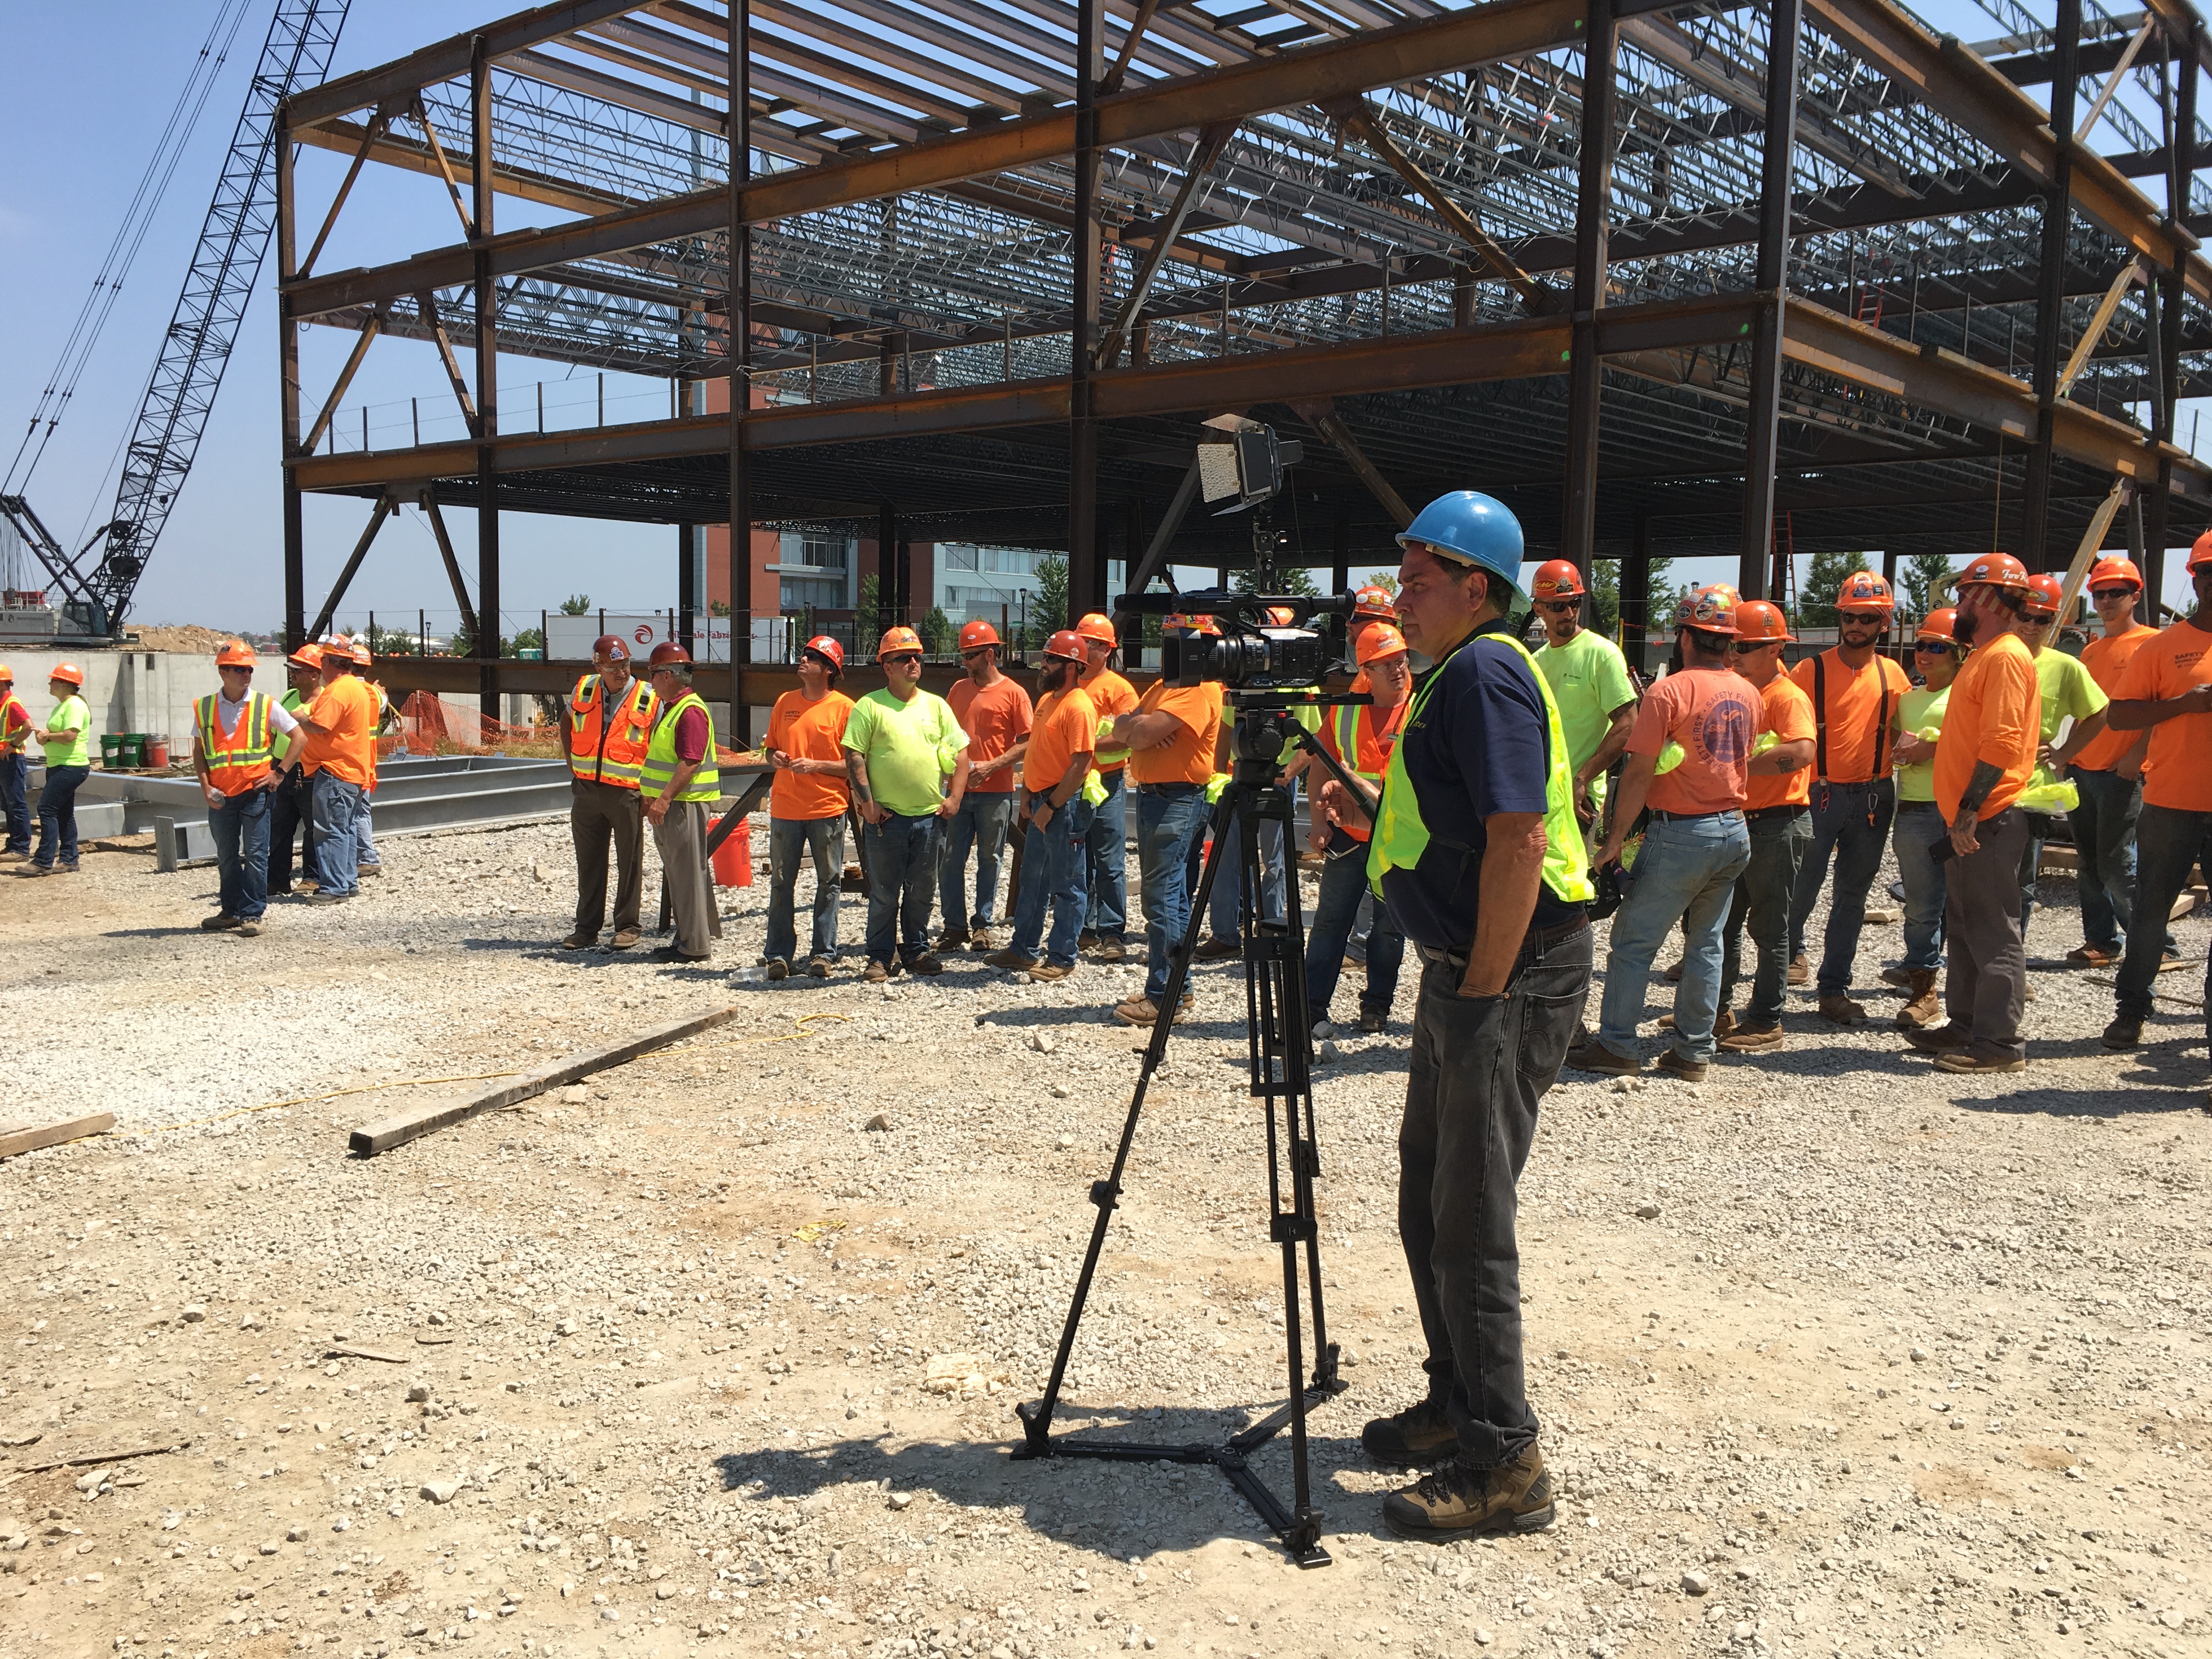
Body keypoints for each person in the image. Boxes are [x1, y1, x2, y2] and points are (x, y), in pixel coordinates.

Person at [1312, 491, 1592, 1539]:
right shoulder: (1452, 674)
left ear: (1477, 586)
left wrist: (1481, 986)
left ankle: (1505, 1459)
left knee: (1468, 1215)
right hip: (1466, 968)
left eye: (1419, 581)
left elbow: (1520, 837)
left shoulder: (1483, 671)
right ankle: (1455, 1399)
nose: (1402, 599)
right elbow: (1457, 824)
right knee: (1428, 1197)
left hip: (1503, 972)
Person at [1568, 586, 1758, 1080]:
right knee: (1707, 944)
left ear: (1686, 637)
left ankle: (1617, 1046)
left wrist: (1614, 841)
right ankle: (1694, 1052)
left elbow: (1637, 774)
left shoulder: (1668, 692)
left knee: (1633, 944)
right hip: (1734, 830)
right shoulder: (1748, 692)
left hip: (1682, 834)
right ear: (1728, 641)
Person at [1905, 553, 2042, 1074]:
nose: (1958, 605)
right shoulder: (1986, 655)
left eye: (1964, 595)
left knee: (1992, 928)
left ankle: (1999, 1043)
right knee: (1963, 925)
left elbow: (2001, 742)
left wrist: (1968, 809)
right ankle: (1965, 1025)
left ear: (1987, 599)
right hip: (1975, 817)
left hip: (1988, 818)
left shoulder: (2004, 657)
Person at [2102, 531, 2212, 1071]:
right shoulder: (2164, 648)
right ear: (2195, 578)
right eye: (2208, 572)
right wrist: (2183, 704)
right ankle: (2132, 1009)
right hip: (2171, 803)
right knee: (2150, 909)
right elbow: (2120, 715)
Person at [1785, 570, 1912, 1022]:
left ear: (1884, 623)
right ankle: (1781, 971)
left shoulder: (1894, 676)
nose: (1856, 626)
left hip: (1874, 797)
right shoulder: (1809, 671)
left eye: (1867, 618)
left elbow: (1907, 731)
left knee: (1852, 898)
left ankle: (1834, 989)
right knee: (1799, 890)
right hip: (1818, 794)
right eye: (1849, 617)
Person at [1109, 614, 1224, 1027]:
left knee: (1162, 898)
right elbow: (1123, 726)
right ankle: (1178, 986)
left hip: (1176, 798)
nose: (1170, 648)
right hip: (1160, 797)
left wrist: (1139, 728)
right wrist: (1139, 726)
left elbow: (1135, 734)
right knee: (1170, 896)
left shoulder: (1194, 689)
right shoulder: (1168, 686)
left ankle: (1165, 995)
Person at [1711, 600, 1816, 1051]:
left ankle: (1766, 1019)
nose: (1734, 653)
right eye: (1732, 645)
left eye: (1745, 646)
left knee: (1770, 929)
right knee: (1723, 924)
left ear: (1775, 648)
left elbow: (1804, 751)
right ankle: (1717, 1010)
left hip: (1776, 822)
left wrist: (1741, 767)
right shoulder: (1738, 691)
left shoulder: (1786, 696)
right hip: (1742, 820)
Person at [842, 625, 970, 983]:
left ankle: (915, 951)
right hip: (887, 820)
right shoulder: (869, 707)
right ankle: (880, 957)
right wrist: (867, 804)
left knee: (922, 892)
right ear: (887, 666)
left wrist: (955, 798)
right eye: (904, 658)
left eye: (916, 657)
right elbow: (854, 755)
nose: (913, 662)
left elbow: (961, 753)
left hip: (930, 818)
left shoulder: (937, 706)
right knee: (885, 894)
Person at [1304, 622, 1410, 1034]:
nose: (1397, 669)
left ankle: (1377, 1007)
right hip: (1349, 837)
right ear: (1367, 669)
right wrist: (1318, 825)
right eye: (1386, 664)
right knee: (1331, 921)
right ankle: (1312, 1007)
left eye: (1400, 659)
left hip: (1398, 836)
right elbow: (1320, 767)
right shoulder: (1345, 710)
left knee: (1389, 927)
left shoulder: (1421, 706)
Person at [2067, 556, 2168, 970]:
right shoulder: (2092, 650)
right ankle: (2102, 941)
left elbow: (2161, 708)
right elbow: (2087, 711)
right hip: (2084, 769)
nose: (2106, 600)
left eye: (2116, 592)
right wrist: (2069, 754)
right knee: (2090, 863)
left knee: (2116, 864)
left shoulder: (2152, 644)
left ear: (2135, 596)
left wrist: (2138, 753)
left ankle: (2156, 944)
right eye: (2099, 593)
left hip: (2121, 771)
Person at [989, 629, 1096, 982]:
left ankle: (1063, 957)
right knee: (1032, 878)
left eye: (1050, 660)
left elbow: (1081, 765)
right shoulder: (1048, 700)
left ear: (1072, 667)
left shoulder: (1079, 707)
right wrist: (1028, 794)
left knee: (1068, 884)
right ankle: (1023, 949)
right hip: (1042, 801)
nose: (1043, 665)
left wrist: (1051, 804)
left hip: (1062, 805)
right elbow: (1037, 750)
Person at [2015, 572, 2113, 944]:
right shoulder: (1984, 658)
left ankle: (2008, 962)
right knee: (1969, 878)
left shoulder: (2065, 667)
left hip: (2030, 790)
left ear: (2054, 621)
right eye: (2025, 615)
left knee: (2021, 882)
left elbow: (2100, 712)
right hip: (1981, 784)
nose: (2031, 625)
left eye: (2042, 619)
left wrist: (2062, 755)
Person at [1886, 608, 1962, 1030]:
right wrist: (1901, 755)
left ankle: (1970, 993)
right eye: (1921, 645)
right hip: (1914, 807)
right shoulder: (1908, 700)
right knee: (1920, 905)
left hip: (1958, 809)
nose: (1925, 654)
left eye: (1937, 647)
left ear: (1958, 654)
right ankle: (1924, 990)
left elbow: (1980, 743)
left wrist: (1930, 750)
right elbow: (1895, 744)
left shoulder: (1969, 695)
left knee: (1965, 903)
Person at [761, 634, 854, 978]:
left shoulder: (845, 709)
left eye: (812, 657)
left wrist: (816, 766)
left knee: (829, 882)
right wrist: (775, 757)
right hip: (785, 808)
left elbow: (855, 766)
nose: (803, 660)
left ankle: (823, 953)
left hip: (827, 809)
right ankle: (778, 955)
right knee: (781, 883)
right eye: (804, 654)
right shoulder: (784, 702)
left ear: (829, 670)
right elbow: (769, 750)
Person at [560, 633, 658, 951]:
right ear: (598, 667)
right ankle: (586, 929)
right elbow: (566, 722)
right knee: (589, 862)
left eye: (626, 664)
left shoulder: (648, 696)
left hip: (627, 792)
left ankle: (628, 926)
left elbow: (658, 745)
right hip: (587, 791)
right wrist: (573, 764)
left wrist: (650, 792)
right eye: (614, 667)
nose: (621, 672)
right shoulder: (584, 688)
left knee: (629, 861)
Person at [1527, 558, 1638, 838]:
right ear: (1538, 608)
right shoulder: (1536, 661)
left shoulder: (1602, 654)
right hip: (1543, 797)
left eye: (1575, 603)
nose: (1569, 613)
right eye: (1558, 606)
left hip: (1579, 800)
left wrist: (1582, 778)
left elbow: (1629, 724)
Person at [939, 618, 1031, 952]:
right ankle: (954, 927)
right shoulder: (957, 691)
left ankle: (982, 925)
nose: (965, 662)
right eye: (963, 655)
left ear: (989, 655)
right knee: (951, 859)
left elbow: (1028, 742)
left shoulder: (1014, 694)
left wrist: (992, 766)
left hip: (996, 792)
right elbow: (946, 735)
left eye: (970, 656)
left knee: (989, 860)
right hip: (959, 792)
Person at [191, 642, 295, 937]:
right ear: (223, 672)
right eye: (239, 669)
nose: (246, 674)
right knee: (226, 856)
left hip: (255, 793)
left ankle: (252, 914)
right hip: (221, 795)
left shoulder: (265, 704)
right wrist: (205, 786)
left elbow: (298, 737)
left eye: (249, 669)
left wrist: (279, 774)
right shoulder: (205, 707)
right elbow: (199, 751)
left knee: (256, 855)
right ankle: (230, 912)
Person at [640, 641, 722, 963]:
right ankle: (688, 937)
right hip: (677, 804)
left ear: (668, 675)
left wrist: (663, 800)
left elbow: (690, 762)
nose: (650, 681)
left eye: (653, 674)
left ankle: (695, 945)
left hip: (684, 805)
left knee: (687, 874)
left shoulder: (689, 711)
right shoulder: (675, 709)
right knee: (681, 873)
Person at [276, 642, 377, 902]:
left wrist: (299, 717)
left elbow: (319, 726)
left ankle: (334, 887)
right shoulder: (354, 687)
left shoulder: (338, 690)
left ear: (328, 663)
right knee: (345, 829)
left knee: (330, 830)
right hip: (349, 769)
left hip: (334, 770)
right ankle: (346, 882)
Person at [1073, 612, 1137, 962]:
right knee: (1078, 857)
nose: (1085, 649)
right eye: (1082, 642)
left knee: (1110, 859)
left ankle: (1112, 931)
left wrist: (1086, 747)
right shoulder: (1070, 684)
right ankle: (1084, 926)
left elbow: (1129, 735)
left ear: (1107, 649)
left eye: (1092, 644)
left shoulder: (1119, 689)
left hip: (1108, 782)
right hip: (1075, 780)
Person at [23, 663, 92, 878]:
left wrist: (48, 736)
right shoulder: (63, 706)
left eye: (53, 680)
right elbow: (60, 736)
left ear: (64, 684)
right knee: (63, 813)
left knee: (46, 808)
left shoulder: (74, 706)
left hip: (71, 766)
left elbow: (70, 736)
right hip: (60, 765)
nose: (50, 683)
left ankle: (43, 861)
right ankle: (69, 859)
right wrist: (45, 738)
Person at [267, 645, 323, 895]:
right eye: (292, 670)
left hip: (310, 770)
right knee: (279, 826)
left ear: (314, 674)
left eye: (298, 671)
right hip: (282, 768)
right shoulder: (289, 696)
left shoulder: (325, 700)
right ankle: (277, 879)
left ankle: (312, 877)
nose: (293, 674)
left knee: (314, 827)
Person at [349, 641, 393, 879]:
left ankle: (365, 858)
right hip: (368, 759)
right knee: (361, 808)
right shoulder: (375, 694)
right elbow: (383, 702)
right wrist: (380, 691)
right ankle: (365, 857)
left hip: (349, 759)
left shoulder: (342, 691)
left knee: (354, 810)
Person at [0, 665, 32, 861]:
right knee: (7, 804)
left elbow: (29, 726)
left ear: (3, 684)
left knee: (16, 803)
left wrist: (12, 746)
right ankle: (14, 845)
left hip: (12, 759)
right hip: (4, 759)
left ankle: (21, 849)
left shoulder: (11, 704)